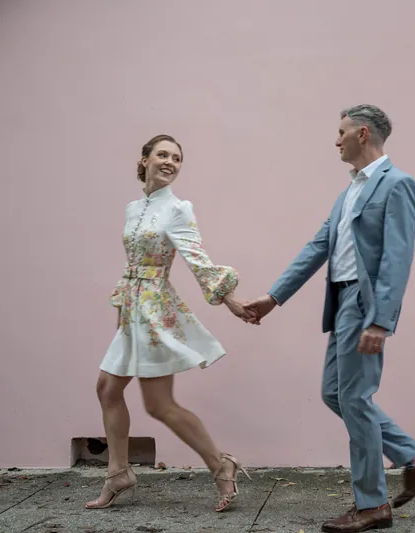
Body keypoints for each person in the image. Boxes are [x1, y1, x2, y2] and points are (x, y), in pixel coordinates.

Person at [245, 105, 415, 532]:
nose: (336, 140)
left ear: (363, 133)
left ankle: (372, 505)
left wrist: (381, 321)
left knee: (354, 397)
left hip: (363, 303)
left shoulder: (398, 184)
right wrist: (273, 297)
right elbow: (318, 247)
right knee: (335, 393)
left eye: (341, 132)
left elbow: (397, 258)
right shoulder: (349, 191)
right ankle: (413, 456)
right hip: (341, 303)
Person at [86, 134, 257, 512]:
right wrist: (121, 312)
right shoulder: (133, 208)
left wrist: (228, 298)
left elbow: (197, 257)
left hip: (154, 313)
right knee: (107, 389)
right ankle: (118, 472)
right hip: (131, 310)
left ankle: (221, 464)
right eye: (162, 154)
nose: (170, 162)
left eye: (176, 158)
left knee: (159, 405)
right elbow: (132, 264)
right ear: (144, 160)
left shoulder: (178, 209)